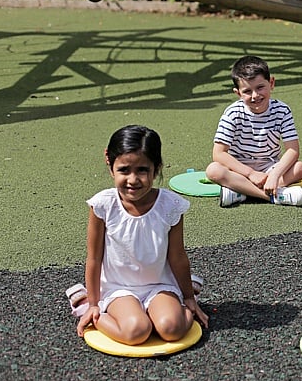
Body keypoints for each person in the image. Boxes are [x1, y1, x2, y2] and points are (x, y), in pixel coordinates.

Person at [69, 125, 209, 345]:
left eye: (142, 170)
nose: (133, 179)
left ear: (156, 168)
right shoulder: (103, 205)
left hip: (159, 285)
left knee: (171, 329)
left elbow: (177, 256)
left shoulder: (170, 206)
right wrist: (95, 305)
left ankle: (184, 293)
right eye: (124, 170)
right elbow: (94, 258)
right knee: (137, 331)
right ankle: (84, 303)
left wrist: (189, 298)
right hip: (118, 288)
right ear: (111, 167)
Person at [205, 54, 302, 208]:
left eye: (260, 87)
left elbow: (292, 150)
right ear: (238, 93)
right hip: (238, 168)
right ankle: (273, 196)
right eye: (247, 91)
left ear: (271, 83)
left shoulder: (282, 110)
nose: (255, 96)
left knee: (300, 168)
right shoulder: (233, 113)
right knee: (214, 170)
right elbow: (219, 153)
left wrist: (274, 175)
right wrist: (250, 174)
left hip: (269, 167)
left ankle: (240, 191)